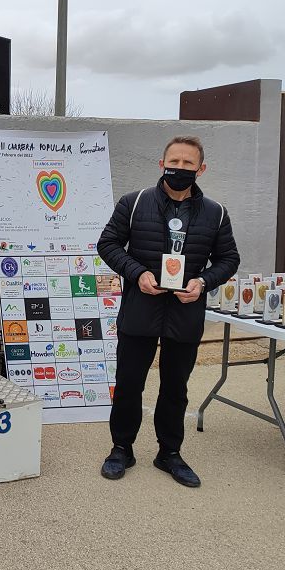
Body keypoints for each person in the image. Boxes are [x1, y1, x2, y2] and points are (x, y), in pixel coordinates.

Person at [96, 136, 240, 488]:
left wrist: (203, 283)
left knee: (176, 387)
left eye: (188, 163)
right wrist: (137, 274)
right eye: (173, 161)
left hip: (185, 312)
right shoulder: (134, 203)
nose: (180, 168)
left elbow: (229, 259)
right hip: (140, 308)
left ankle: (169, 453)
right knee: (130, 383)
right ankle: (121, 448)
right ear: (162, 164)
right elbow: (108, 244)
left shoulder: (216, 213)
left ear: (201, 169)